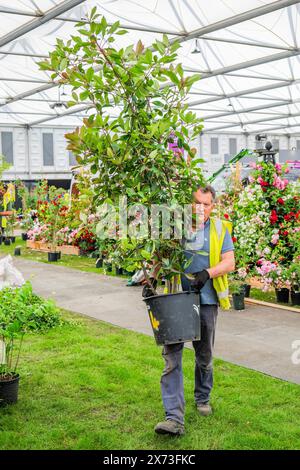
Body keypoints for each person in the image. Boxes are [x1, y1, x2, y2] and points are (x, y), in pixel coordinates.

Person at [154, 184, 235, 436]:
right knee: (171, 357)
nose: (201, 208)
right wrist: (151, 282)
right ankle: (173, 417)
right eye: (197, 203)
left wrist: (207, 274)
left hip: (207, 300)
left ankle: (202, 397)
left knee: (204, 356)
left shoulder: (221, 228)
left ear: (213, 206)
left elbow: (230, 261)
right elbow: (160, 257)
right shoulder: (175, 227)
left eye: (206, 204)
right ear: (190, 203)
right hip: (176, 299)